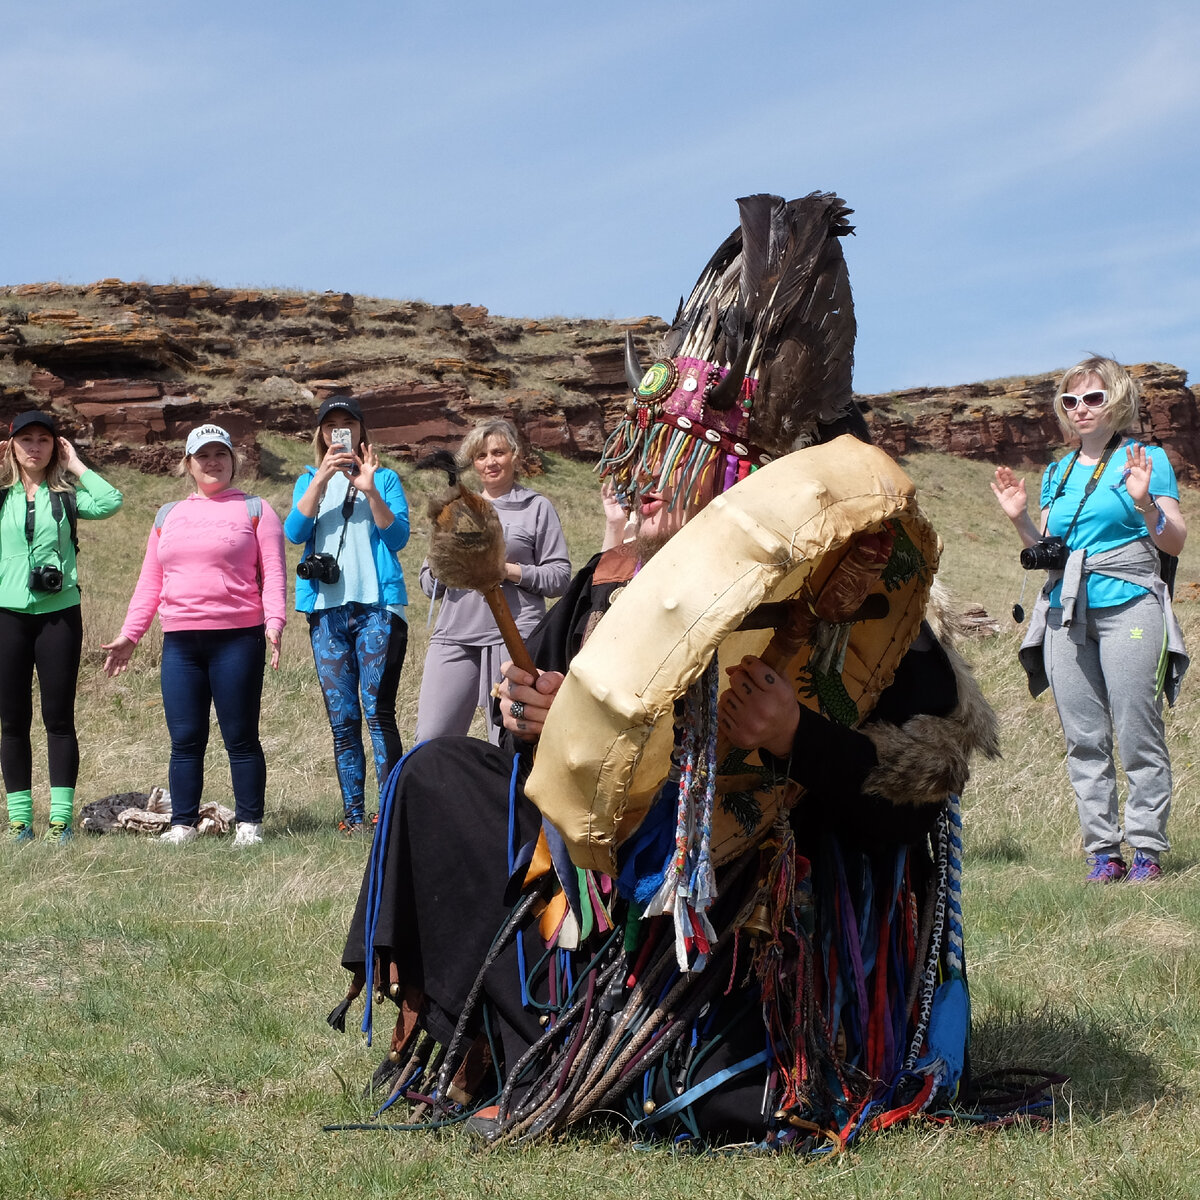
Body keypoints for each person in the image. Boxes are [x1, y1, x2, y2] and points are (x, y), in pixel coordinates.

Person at [329, 195, 1044, 1148]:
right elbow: (556, 743)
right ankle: (479, 1045)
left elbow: (912, 802)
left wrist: (798, 738)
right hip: (604, 861)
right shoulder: (609, 581)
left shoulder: (870, 599)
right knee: (431, 776)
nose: (662, 493)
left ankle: (606, 1055)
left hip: (741, 901)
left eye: (693, 476)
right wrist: (529, 714)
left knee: (727, 1008)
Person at [991, 356, 1187, 884]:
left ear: (1117, 399)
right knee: (1083, 736)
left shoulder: (1146, 458)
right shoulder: (1055, 472)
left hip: (1131, 605)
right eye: (1071, 400)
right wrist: (1021, 520)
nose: (1080, 408)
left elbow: (1174, 539)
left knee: (1136, 729)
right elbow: (1050, 552)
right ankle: (1103, 852)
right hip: (1065, 609)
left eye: (1093, 398)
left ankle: (1146, 848)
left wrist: (1146, 504)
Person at [102, 424, 286, 847]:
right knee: (185, 739)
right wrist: (131, 635)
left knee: (239, 736)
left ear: (232, 461)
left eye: (221, 453)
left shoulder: (256, 509)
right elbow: (151, 582)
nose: (213, 462)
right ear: (189, 464)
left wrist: (274, 624)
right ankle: (182, 824)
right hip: (181, 642)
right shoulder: (168, 515)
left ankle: (249, 825)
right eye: (203, 455)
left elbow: (274, 574)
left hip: (237, 638)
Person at [284, 397, 410, 834]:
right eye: (330, 425)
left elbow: (398, 538)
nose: (340, 431)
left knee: (377, 712)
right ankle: (354, 817)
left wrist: (370, 488)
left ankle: (389, 815)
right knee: (342, 720)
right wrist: (320, 480)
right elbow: (294, 533)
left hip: (377, 608)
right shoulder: (307, 481)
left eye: (348, 424)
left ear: (361, 430)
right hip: (327, 612)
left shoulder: (386, 478)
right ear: (320, 434)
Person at [1, 411, 123, 844]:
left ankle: (60, 821)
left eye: (44, 440)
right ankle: (19, 821)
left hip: (59, 617)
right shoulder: (1, 497)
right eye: (25, 439)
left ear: (56, 446)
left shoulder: (68, 497)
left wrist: (77, 464)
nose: (34, 447)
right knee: (12, 721)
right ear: (12, 446)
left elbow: (111, 501)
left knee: (58, 719)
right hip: (7, 617)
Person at [414, 419, 570, 744]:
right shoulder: (458, 507)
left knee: (509, 740)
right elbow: (429, 585)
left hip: (514, 637)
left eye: (498, 452)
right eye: (482, 455)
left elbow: (559, 578)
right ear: (473, 461)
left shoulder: (536, 508)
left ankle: (508, 796)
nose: (490, 461)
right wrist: (447, 561)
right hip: (454, 636)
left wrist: (506, 571)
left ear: (514, 454)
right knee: (431, 740)